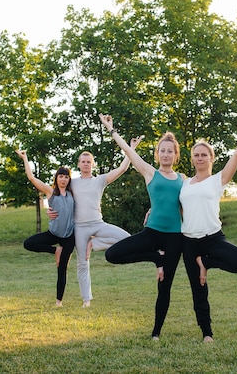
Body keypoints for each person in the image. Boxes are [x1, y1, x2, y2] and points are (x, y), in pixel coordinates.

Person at [100, 113, 184, 340]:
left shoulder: (183, 179)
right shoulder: (150, 172)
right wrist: (111, 129)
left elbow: (188, 207)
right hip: (152, 233)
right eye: (162, 150)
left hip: (176, 238)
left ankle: (156, 333)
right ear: (157, 154)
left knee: (164, 286)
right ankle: (155, 257)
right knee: (112, 254)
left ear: (175, 155)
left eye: (170, 151)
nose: (166, 154)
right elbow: (129, 152)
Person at [180, 113, 237, 342]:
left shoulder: (218, 180)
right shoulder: (184, 183)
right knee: (198, 289)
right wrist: (153, 210)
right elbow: (173, 206)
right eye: (196, 155)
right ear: (192, 159)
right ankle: (207, 333)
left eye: (204, 154)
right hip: (188, 241)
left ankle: (206, 263)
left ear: (211, 158)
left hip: (213, 238)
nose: (200, 158)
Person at [48, 142, 140, 307]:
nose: (85, 164)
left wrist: (130, 150)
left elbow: (122, 169)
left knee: (126, 238)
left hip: (98, 223)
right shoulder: (72, 183)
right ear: (78, 164)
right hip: (79, 228)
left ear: (93, 164)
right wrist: (50, 211)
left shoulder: (100, 180)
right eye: (83, 161)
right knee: (82, 263)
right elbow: (57, 196)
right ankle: (86, 300)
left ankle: (95, 243)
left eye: (88, 161)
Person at [16, 149, 75, 307]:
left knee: (62, 268)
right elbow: (31, 177)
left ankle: (58, 302)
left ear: (69, 179)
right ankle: (55, 250)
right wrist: (25, 158)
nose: (63, 179)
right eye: (60, 176)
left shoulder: (73, 193)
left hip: (69, 236)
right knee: (28, 243)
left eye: (66, 176)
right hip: (53, 234)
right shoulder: (51, 192)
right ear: (56, 178)